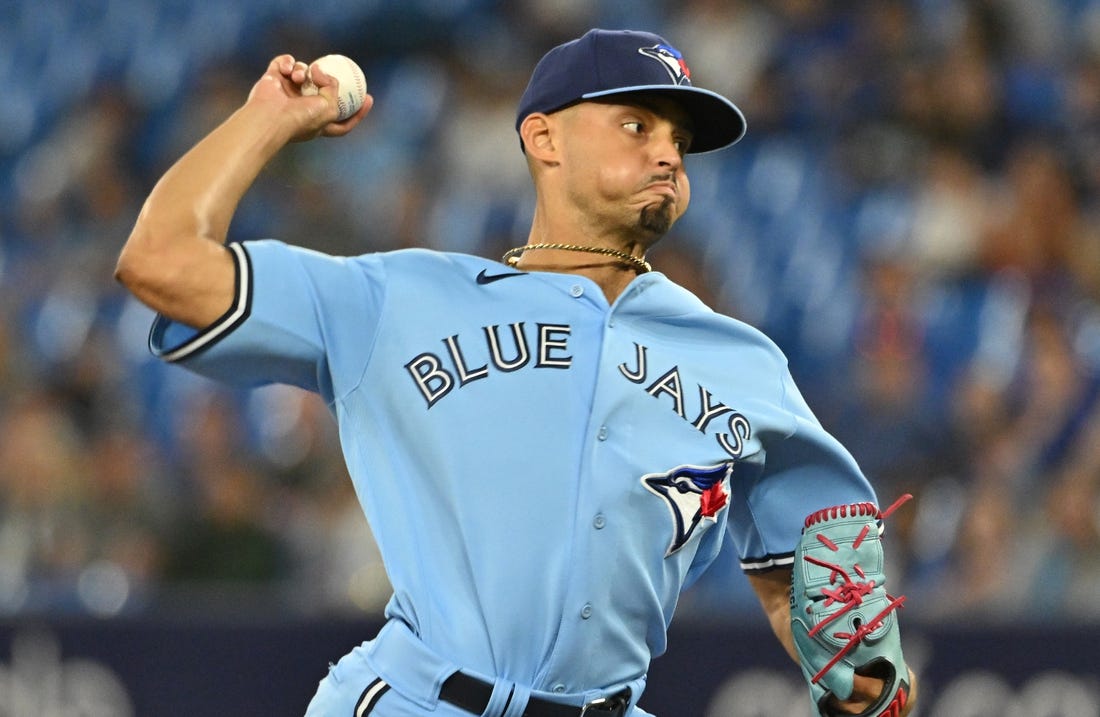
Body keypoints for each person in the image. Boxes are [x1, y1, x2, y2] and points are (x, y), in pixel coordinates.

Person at [117, 28, 916, 717]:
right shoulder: (399, 296)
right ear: (544, 139)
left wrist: (854, 677)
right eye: (637, 123)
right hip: (416, 697)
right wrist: (269, 118)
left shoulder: (740, 361)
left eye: (679, 138)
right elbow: (161, 263)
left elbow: (807, 574)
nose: (668, 151)